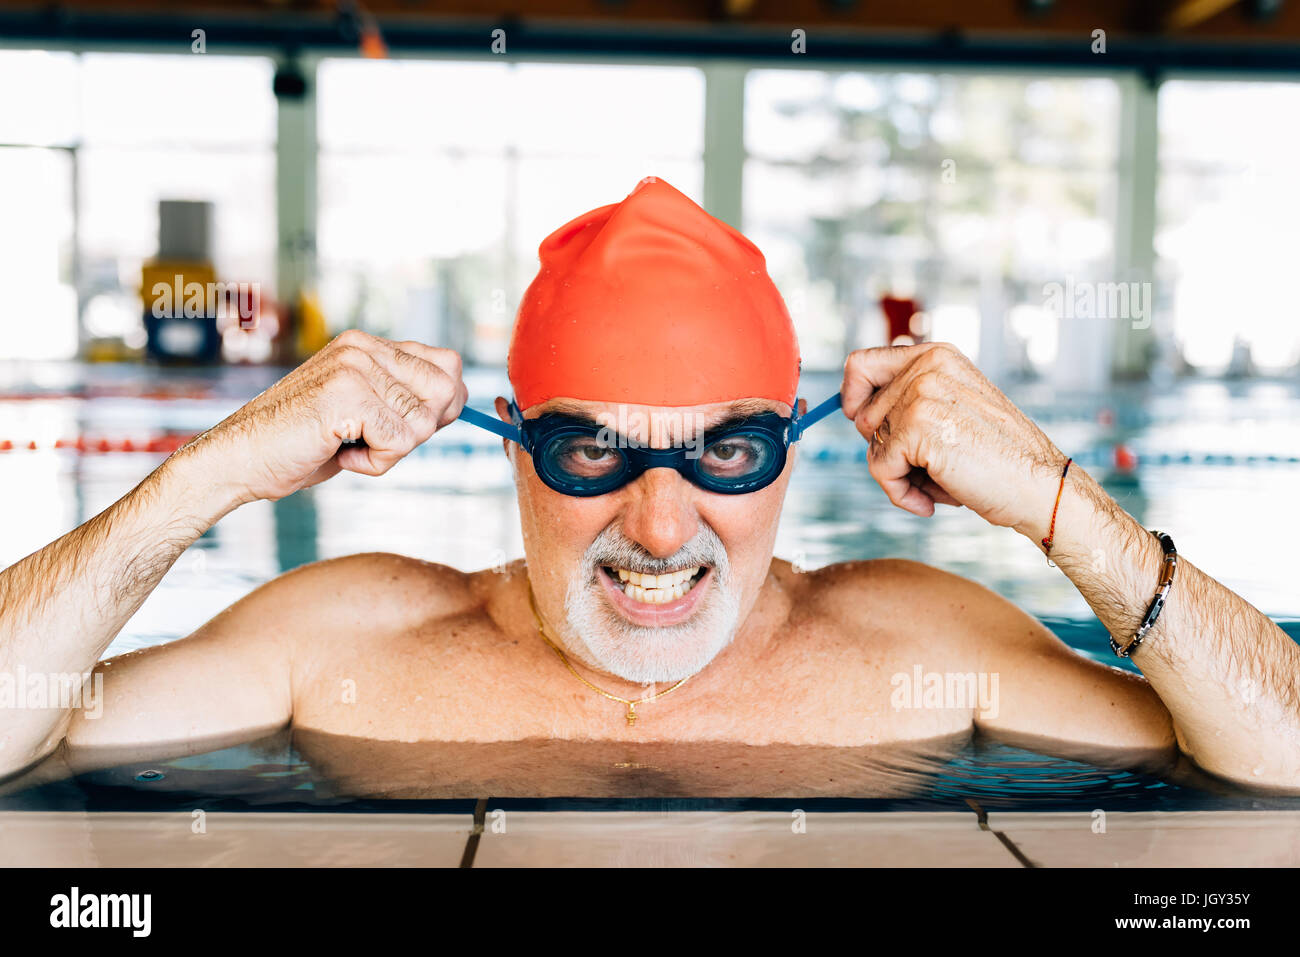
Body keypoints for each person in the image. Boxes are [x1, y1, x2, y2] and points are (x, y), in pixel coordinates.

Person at [1, 177, 1297, 796]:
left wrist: (1062, 504)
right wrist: (212, 474)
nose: (661, 525)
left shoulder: (920, 637)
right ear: (515, 450)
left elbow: (1282, 762)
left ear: (791, 456)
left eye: (724, 453)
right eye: (592, 454)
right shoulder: (339, 638)